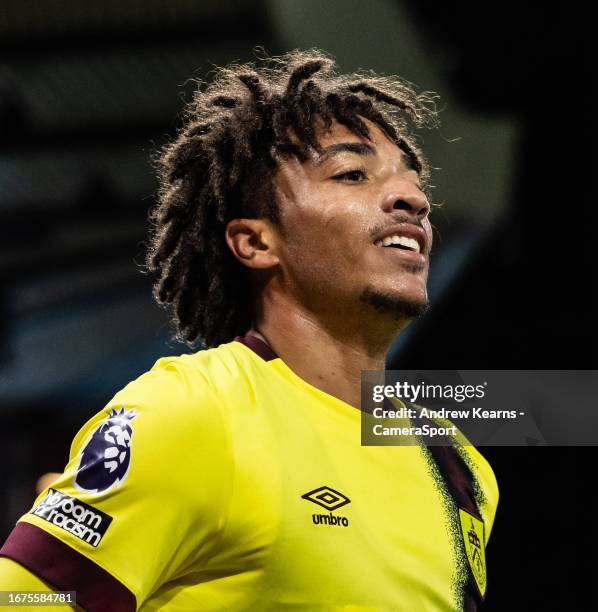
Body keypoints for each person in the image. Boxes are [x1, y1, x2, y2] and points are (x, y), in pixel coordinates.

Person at [0, 49, 498, 611]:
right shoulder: (195, 413)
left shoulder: (455, 460)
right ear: (257, 242)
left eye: (412, 179)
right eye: (351, 174)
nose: (413, 198)